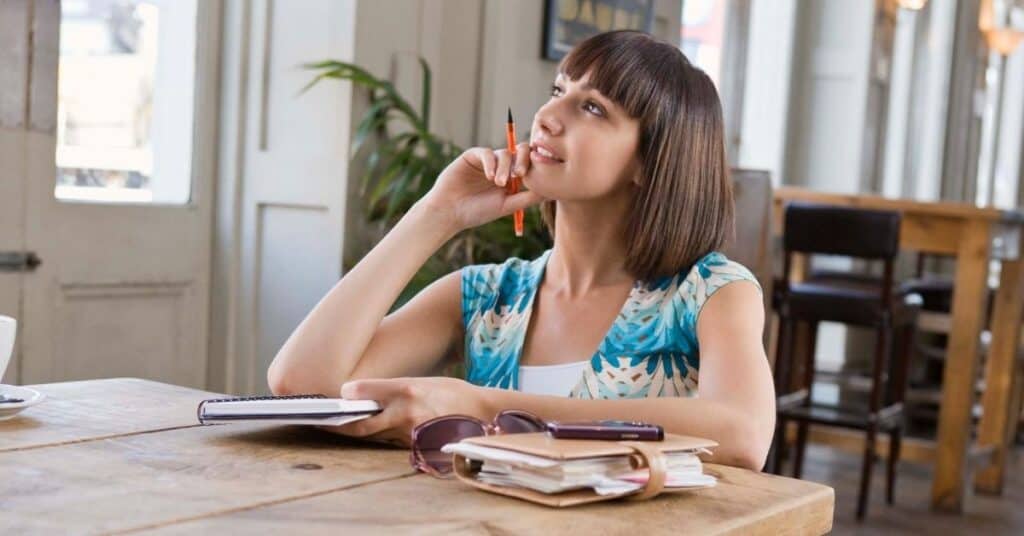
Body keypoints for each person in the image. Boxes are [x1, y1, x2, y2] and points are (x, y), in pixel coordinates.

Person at [268, 30, 775, 470]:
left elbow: (742, 434)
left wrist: (483, 406)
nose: (548, 116)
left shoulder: (711, 293)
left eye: (592, 107)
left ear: (651, 160)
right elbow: (302, 387)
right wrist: (436, 214)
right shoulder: (484, 296)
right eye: (558, 90)